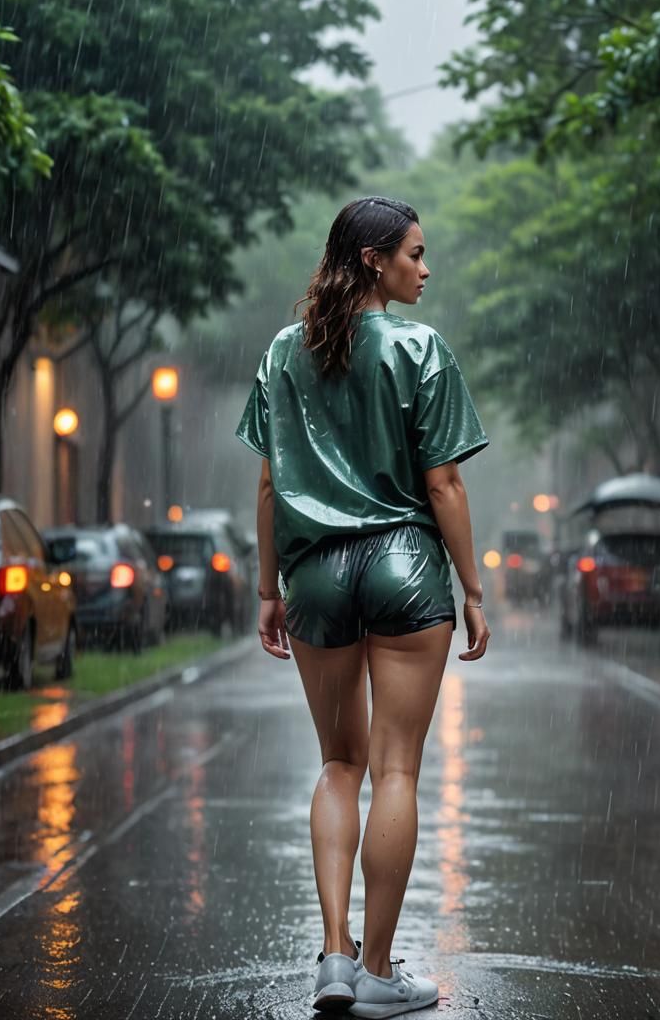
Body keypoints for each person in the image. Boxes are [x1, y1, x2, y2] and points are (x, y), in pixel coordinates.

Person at [237, 195, 490, 1018]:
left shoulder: (284, 352)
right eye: (416, 253)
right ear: (375, 260)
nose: (427, 267)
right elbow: (444, 484)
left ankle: (337, 956)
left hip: (314, 574)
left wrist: (269, 589)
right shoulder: (421, 349)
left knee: (339, 766)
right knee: (396, 769)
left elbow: (272, 482)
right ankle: (381, 971)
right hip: (406, 567)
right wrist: (475, 588)